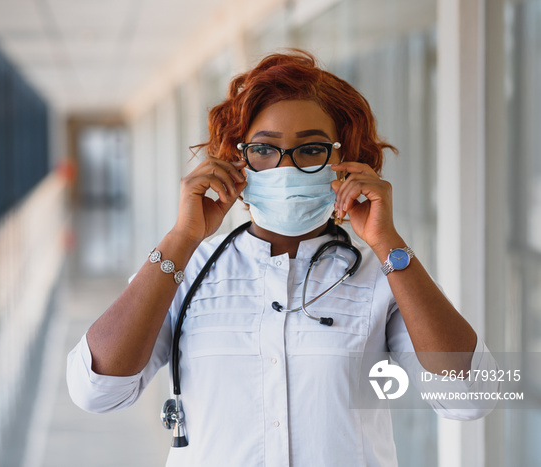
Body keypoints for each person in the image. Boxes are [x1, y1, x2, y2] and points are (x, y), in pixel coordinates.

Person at [67, 50, 498, 466]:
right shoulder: (187, 272)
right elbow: (96, 390)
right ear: (239, 161)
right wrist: (182, 238)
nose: (284, 167)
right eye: (264, 149)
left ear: (344, 160)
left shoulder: (381, 276)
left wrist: (388, 243)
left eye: (311, 150)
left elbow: (473, 396)